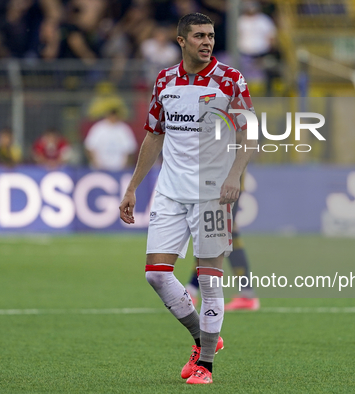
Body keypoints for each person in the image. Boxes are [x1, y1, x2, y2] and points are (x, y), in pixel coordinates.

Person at [119, 13, 256, 384]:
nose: (206, 41)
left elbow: (249, 134)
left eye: (210, 35)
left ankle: (206, 365)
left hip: (213, 193)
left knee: (209, 280)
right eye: (198, 36)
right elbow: (153, 135)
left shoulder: (230, 79)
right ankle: (203, 338)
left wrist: (233, 176)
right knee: (156, 275)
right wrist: (132, 188)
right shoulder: (165, 80)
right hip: (170, 191)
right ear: (181, 40)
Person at [185, 175, 260, 311]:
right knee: (219, 231)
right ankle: (246, 293)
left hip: (227, 180)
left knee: (218, 231)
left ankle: (191, 289)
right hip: (218, 179)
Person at [84, 106, 137, 171]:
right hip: (100, 169)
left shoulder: (124, 129)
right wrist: (96, 163)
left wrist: (125, 166)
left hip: (119, 169)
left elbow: (130, 149)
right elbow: (89, 147)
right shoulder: (98, 128)